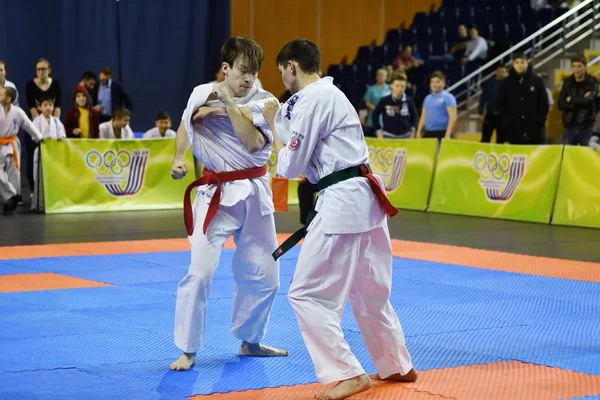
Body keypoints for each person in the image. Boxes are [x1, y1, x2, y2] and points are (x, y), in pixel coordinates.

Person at [262, 39, 416, 400]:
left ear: (291, 67)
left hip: (343, 203)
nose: (283, 78)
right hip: (365, 201)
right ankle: (396, 363)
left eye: (282, 71)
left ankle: (348, 373)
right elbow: (301, 134)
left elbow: (293, 164)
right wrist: (277, 120)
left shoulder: (315, 99)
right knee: (369, 291)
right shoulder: (328, 95)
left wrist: (272, 126)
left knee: (306, 294)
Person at [169, 36, 287, 372]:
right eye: (242, 71)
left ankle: (250, 340)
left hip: (254, 191)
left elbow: (251, 143)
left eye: (254, 72)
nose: (249, 78)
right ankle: (188, 350)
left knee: (266, 274)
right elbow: (185, 124)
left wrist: (223, 106)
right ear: (226, 68)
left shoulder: (266, 102)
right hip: (215, 195)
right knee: (200, 271)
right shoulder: (198, 94)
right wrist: (179, 158)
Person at [0, 87, 42, 215]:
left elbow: (28, 125)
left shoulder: (17, 112)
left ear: (8, 98)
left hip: (12, 144)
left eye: (0, 94)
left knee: (14, 174)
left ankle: (9, 205)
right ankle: (12, 195)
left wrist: (39, 138)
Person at [498, 54, 549, 145]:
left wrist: (539, 120)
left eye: (522, 62)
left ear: (527, 63)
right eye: (516, 62)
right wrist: (507, 122)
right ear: (513, 64)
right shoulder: (506, 83)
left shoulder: (537, 81)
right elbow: (502, 105)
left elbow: (544, 103)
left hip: (534, 129)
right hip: (514, 129)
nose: (519, 65)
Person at [31, 96, 66, 210]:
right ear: (40, 107)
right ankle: (39, 204)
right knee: (39, 176)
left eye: (50, 105)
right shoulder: (37, 120)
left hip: (54, 152)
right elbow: (34, 134)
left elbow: (61, 132)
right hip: (42, 150)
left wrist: (60, 137)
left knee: (53, 176)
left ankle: (53, 201)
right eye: (45, 105)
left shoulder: (56, 120)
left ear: (53, 107)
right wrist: (42, 139)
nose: (48, 108)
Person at [558, 55, 599, 146]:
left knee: (587, 156)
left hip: (586, 126)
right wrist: (580, 101)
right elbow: (560, 104)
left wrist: (571, 99)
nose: (576, 69)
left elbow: (588, 101)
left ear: (585, 66)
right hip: (569, 126)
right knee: (567, 156)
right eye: (574, 66)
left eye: (579, 66)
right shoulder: (567, 82)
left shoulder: (592, 83)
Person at [372, 74, 417, 139]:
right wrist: (378, 131)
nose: (400, 88)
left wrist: (413, 129)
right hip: (388, 136)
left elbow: (414, 114)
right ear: (391, 86)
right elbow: (375, 115)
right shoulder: (384, 100)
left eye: (402, 86)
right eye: (397, 86)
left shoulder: (408, 100)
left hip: (406, 136)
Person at [416, 71, 457, 141]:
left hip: (442, 133)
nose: (435, 84)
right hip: (428, 133)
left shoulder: (448, 97)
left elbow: (453, 117)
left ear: (443, 83)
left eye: (438, 82)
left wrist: (447, 135)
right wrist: (419, 131)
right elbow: (423, 116)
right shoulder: (427, 98)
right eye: (432, 82)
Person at [479, 65, 508, 143]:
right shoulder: (489, 83)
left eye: (503, 72)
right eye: (499, 72)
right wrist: (481, 112)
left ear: (506, 73)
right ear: (496, 72)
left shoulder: (509, 85)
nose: (501, 74)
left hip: (503, 116)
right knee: (485, 138)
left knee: (501, 140)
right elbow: (483, 98)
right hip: (490, 115)